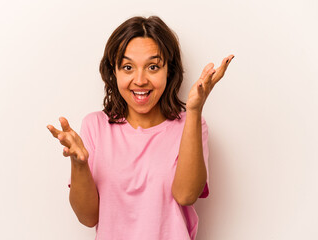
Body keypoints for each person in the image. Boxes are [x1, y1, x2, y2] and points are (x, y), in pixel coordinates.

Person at [47, 15, 234, 240]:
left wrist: (194, 111)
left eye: (153, 67)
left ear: (169, 71)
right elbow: (88, 218)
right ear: (113, 71)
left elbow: (186, 195)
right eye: (127, 67)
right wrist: (78, 164)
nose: (140, 80)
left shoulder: (191, 124)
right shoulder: (94, 126)